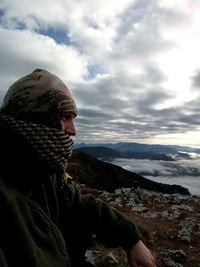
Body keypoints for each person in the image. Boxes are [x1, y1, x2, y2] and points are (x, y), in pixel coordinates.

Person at [0, 68, 156, 267]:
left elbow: (78, 203)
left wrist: (130, 237)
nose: (72, 131)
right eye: (65, 117)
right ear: (34, 117)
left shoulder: (43, 172)